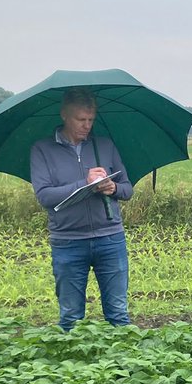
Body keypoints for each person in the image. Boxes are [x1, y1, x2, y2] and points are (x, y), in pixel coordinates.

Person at [29, 88, 134, 330]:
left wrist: (112, 187)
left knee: (118, 314)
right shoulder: (42, 149)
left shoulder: (104, 146)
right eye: (81, 120)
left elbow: (127, 189)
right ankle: (74, 366)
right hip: (68, 241)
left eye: (91, 120)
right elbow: (44, 196)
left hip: (110, 238)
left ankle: (123, 365)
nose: (87, 126)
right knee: (71, 318)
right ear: (64, 115)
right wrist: (84, 184)